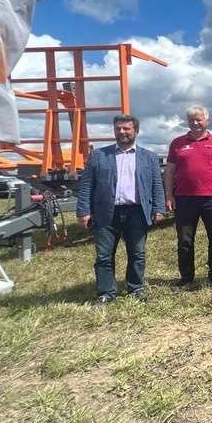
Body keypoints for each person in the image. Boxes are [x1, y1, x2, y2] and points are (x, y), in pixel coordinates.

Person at [76, 114, 165, 306]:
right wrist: (83, 210)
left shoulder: (149, 157)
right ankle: (106, 293)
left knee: (137, 253)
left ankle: (136, 288)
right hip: (106, 212)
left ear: (136, 131)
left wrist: (159, 208)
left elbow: (156, 184)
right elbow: (87, 184)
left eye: (126, 128)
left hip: (136, 212)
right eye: (118, 129)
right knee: (104, 255)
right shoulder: (99, 155)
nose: (122, 132)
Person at [164, 105, 212, 288]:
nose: (195, 123)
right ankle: (186, 277)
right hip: (184, 198)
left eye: (198, 119)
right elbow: (169, 171)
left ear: (206, 121)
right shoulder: (177, 143)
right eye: (191, 120)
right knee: (185, 240)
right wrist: (169, 195)